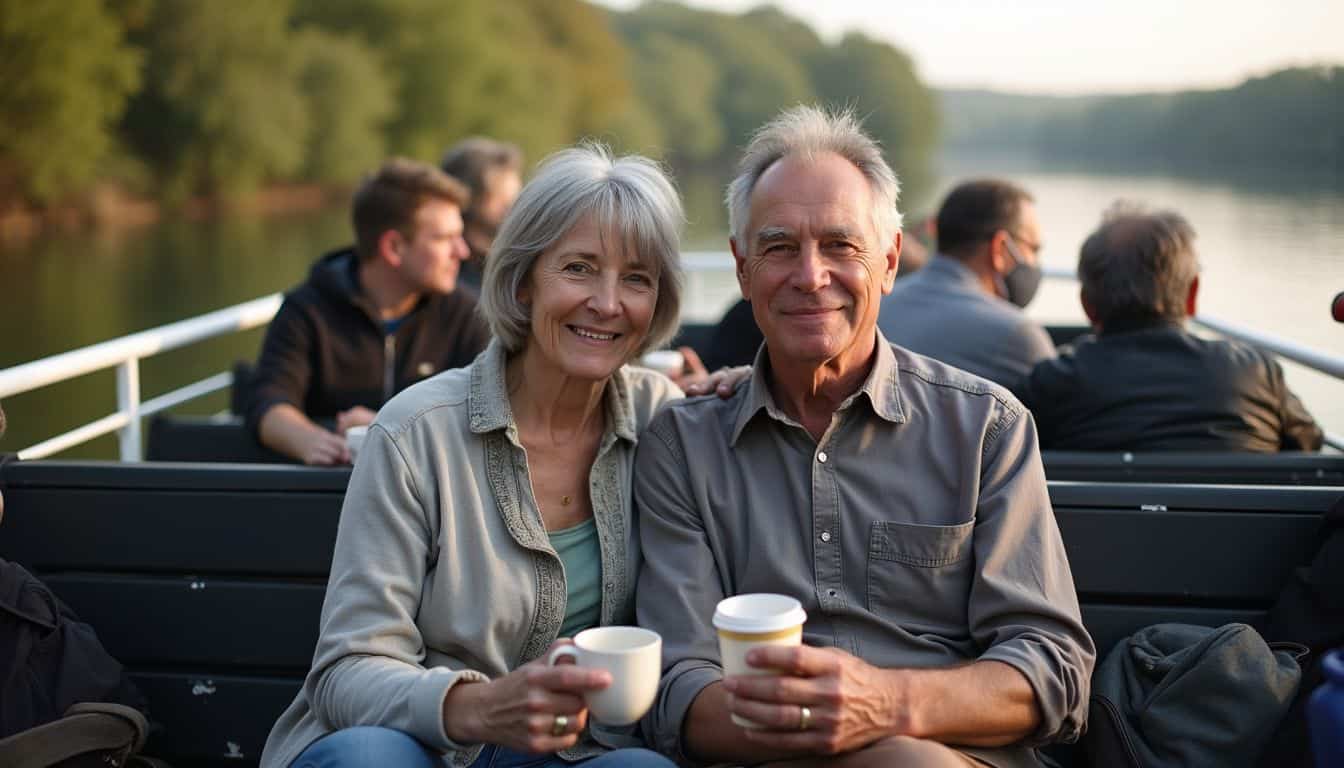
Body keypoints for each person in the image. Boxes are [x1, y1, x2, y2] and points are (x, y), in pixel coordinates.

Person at [635, 106, 1093, 768]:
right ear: (742, 269)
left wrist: (885, 705)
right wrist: (814, 726)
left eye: (840, 246)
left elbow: (1051, 670)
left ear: (890, 261)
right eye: (779, 247)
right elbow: (680, 688)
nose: (810, 275)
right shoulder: (683, 443)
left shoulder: (986, 427)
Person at [258, 144, 690, 768]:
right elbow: (347, 669)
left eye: (637, 278)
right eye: (578, 268)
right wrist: (480, 708)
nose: (607, 301)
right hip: (416, 745)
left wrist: (735, 384)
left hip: (573, 751)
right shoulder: (415, 431)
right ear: (522, 281)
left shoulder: (664, 418)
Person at [1015, 204, 1324, 452]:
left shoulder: (1051, 385)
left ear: (1087, 305)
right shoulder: (1257, 373)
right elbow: (1308, 446)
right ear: (1192, 295)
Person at [244, 158, 491, 465]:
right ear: (393, 248)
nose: (463, 252)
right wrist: (310, 441)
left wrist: (383, 427)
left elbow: (486, 417)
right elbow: (268, 403)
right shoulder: (306, 311)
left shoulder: (467, 315)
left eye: (460, 235)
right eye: (444, 238)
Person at [876, 179, 1055, 387]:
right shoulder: (1019, 335)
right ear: (1000, 248)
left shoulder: (878, 307)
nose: (1036, 262)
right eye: (1033, 249)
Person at [440, 137, 525, 293]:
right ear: (466, 195)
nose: (510, 205)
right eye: (498, 195)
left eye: (515, 195)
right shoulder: (442, 271)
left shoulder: (521, 266)